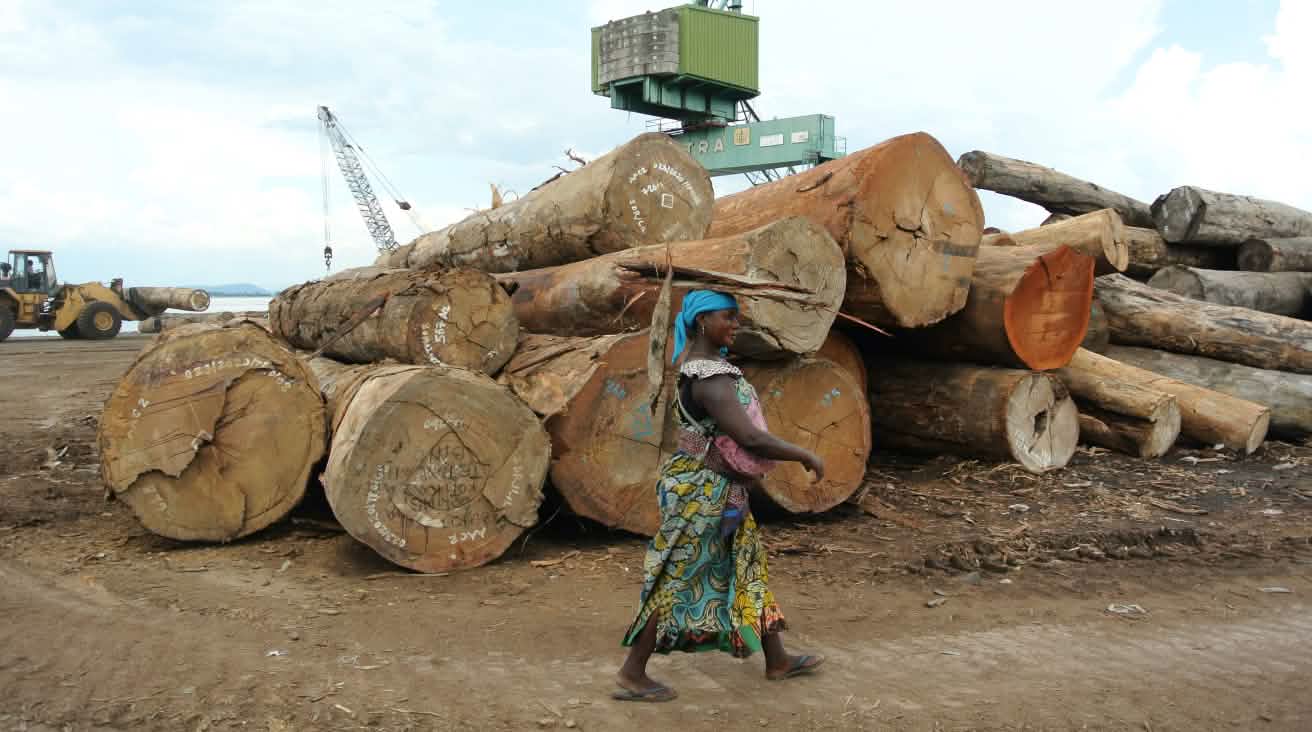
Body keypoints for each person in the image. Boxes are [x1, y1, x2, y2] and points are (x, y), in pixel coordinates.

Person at [614, 290, 826, 703]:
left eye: (736, 317)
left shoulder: (712, 369)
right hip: (701, 492)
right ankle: (632, 672)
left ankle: (777, 659)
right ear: (700, 322)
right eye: (727, 317)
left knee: (747, 567)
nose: (735, 324)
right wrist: (803, 453)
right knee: (677, 577)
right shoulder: (708, 379)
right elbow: (748, 436)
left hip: (720, 488)